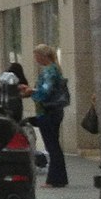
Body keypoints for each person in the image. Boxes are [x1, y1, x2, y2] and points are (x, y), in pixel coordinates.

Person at [24, 43, 68, 188]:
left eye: (36, 56)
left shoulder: (49, 71)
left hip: (47, 112)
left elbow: (45, 92)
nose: (35, 59)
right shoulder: (55, 69)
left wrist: (31, 92)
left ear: (42, 56)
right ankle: (60, 177)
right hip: (53, 112)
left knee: (52, 145)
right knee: (54, 144)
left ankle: (54, 179)